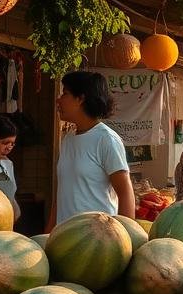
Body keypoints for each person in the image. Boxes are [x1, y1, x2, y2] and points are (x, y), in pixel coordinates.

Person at [51, 71, 134, 226]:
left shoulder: (106, 139)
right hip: (64, 239)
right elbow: (63, 194)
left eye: (65, 94)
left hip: (98, 239)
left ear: (80, 99)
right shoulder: (68, 139)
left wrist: (127, 237)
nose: (58, 100)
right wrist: (49, 232)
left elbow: (125, 193)